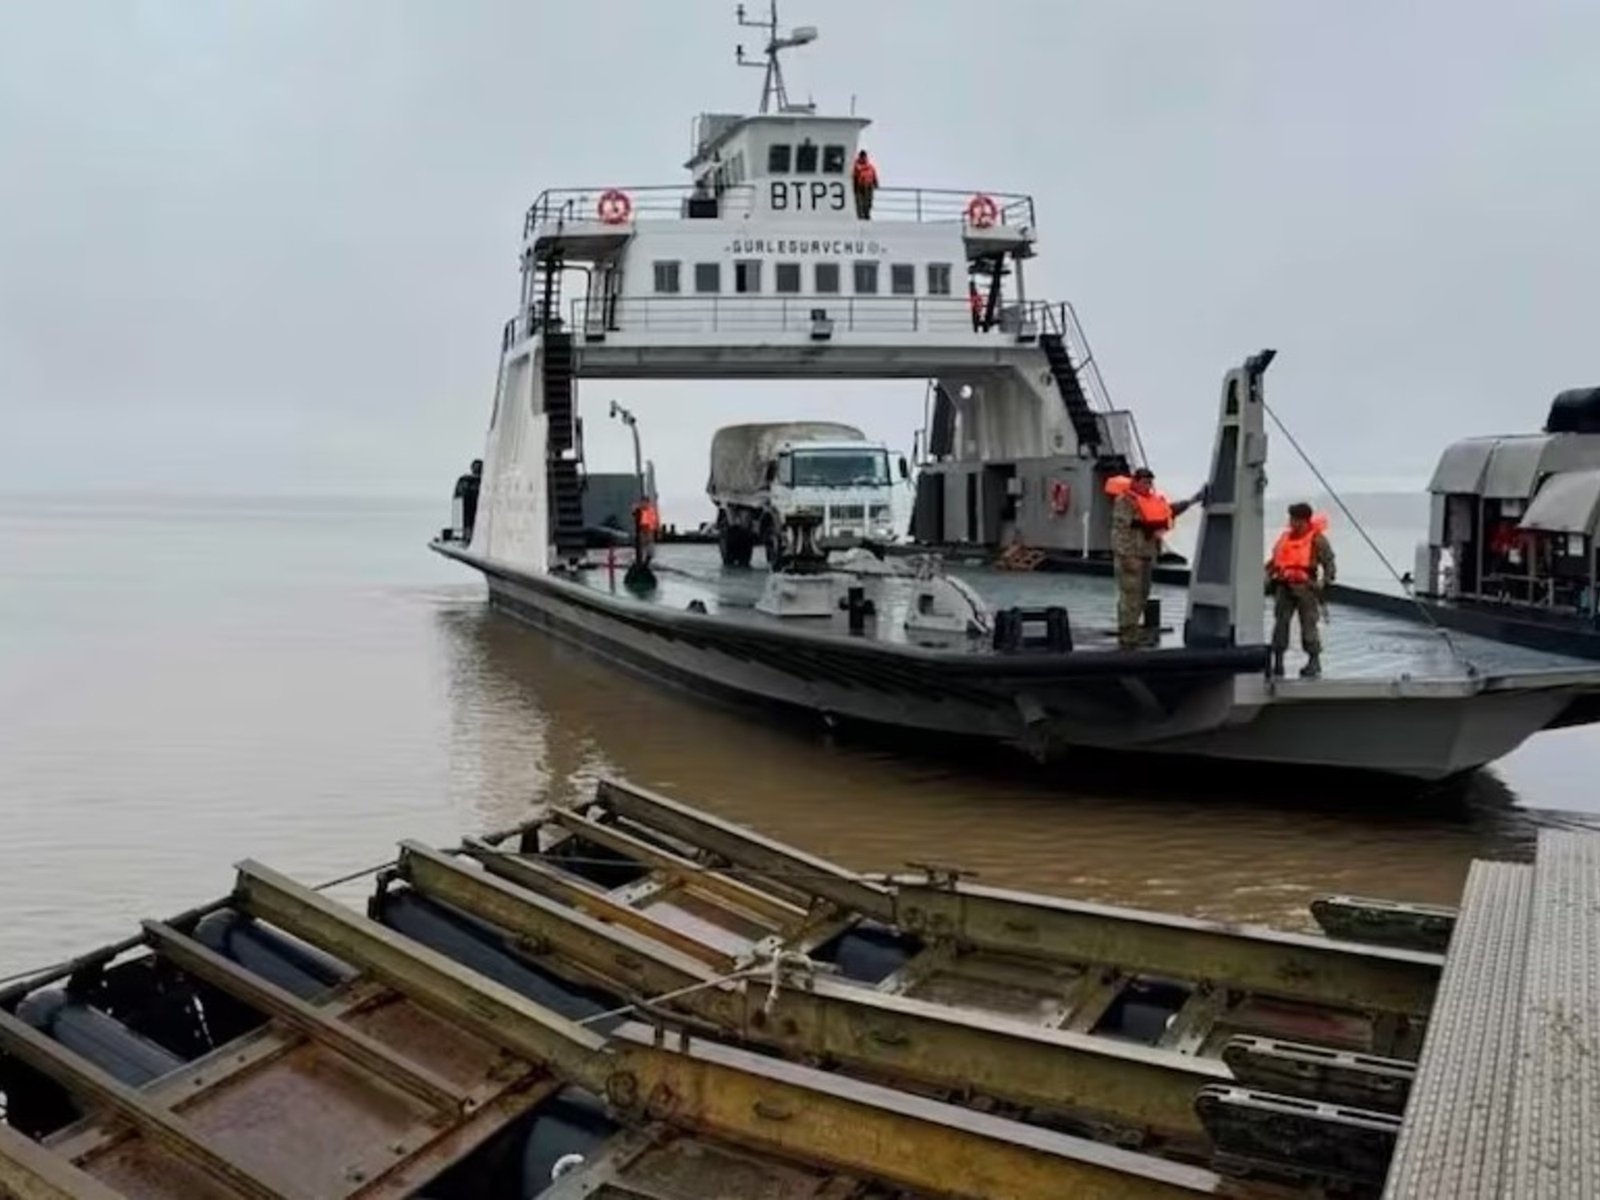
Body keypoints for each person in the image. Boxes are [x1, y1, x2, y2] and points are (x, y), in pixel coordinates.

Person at [1109, 468, 1204, 649]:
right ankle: (1127, 635)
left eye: (1149, 482)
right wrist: (1127, 554)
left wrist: (1192, 501)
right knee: (1130, 596)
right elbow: (1125, 527)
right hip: (1130, 556)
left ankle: (1133, 630)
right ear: (1135, 482)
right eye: (1144, 482)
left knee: (1142, 595)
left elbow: (1169, 511)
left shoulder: (1151, 502)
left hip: (1145, 556)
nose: (1147, 486)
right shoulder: (1125, 501)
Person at [1266, 502, 1336, 678]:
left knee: (1309, 624)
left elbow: (1329, 562)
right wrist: (1266, 578)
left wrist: (1325, 582)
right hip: (1284, 585)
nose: (1292, 523)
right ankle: (1278, 661)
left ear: (1305, 520)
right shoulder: (1285, 538)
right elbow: (1274, 562)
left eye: (1296, 519)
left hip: (1307, 587)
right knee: (1281, 623)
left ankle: (1314, 661)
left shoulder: (1317, 539)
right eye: (1291, 519)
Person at [452, 459, 482, 543]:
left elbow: (457, 499)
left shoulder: (463, 481)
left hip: (467, 514)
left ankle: (467, 533)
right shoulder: (482, 481)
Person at [852, 150, 879, 219]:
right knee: (860, 203)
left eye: (864, 156)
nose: (863, 158)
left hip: (869, 186)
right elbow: (854, 176)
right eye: (862, 156)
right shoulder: (856, 166)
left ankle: (867, 215)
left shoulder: (870, 167)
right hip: (859, 186)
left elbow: (874, 175)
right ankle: (861, 216)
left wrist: (876, 183)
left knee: (868, 202)